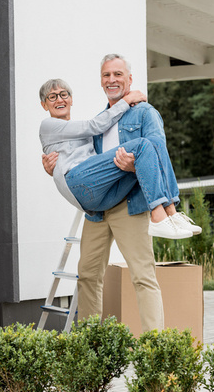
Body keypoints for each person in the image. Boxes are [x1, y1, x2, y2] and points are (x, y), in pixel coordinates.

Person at [41, 53, 200, 331]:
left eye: (117, 74)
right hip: (99, 209)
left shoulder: (144, 112)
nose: (112, 80)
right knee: (88, 275)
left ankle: (155, 345)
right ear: (101, 81)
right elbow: (82, 160)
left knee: (143, 276)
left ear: (129, 79)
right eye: (106, 75)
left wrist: (134, 165)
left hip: (131, 204)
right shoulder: (100, 120)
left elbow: (156, 151)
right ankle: (93, 345)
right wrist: (53, 167)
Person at [39, 78, 198, 239]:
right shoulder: (48, 125)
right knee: (141, 146)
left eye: (63, 94)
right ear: (44, 105)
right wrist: (126, 100)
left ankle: (171, 212)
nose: (59, 99)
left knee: (151, 147)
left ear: (71, 100)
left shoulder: (76, 131)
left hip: (100, 200)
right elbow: (94, 125)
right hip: (78, 183)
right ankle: (158, 215)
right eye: (52, 97)